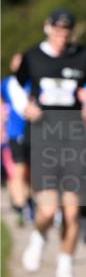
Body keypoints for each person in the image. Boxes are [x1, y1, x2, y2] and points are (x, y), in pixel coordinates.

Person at [18, 9, 86, 277]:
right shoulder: (33, 57)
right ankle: (39, 237)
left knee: (72, 212)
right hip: (43, 139)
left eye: (66, 31)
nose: (61, 36)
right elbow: (14, 87)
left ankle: (65, 266)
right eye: (57, 30)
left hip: (74, 139)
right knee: (47, 210)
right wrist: (25, 107)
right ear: (48, 28)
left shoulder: (84, 56)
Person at [1, 53, 33, 225]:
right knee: (18, 170)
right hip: (15, 133)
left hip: (34, 133)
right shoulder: (6, 84)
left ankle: (28, 201)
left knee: (30, 172)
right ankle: (22, 207)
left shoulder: (32, 82)